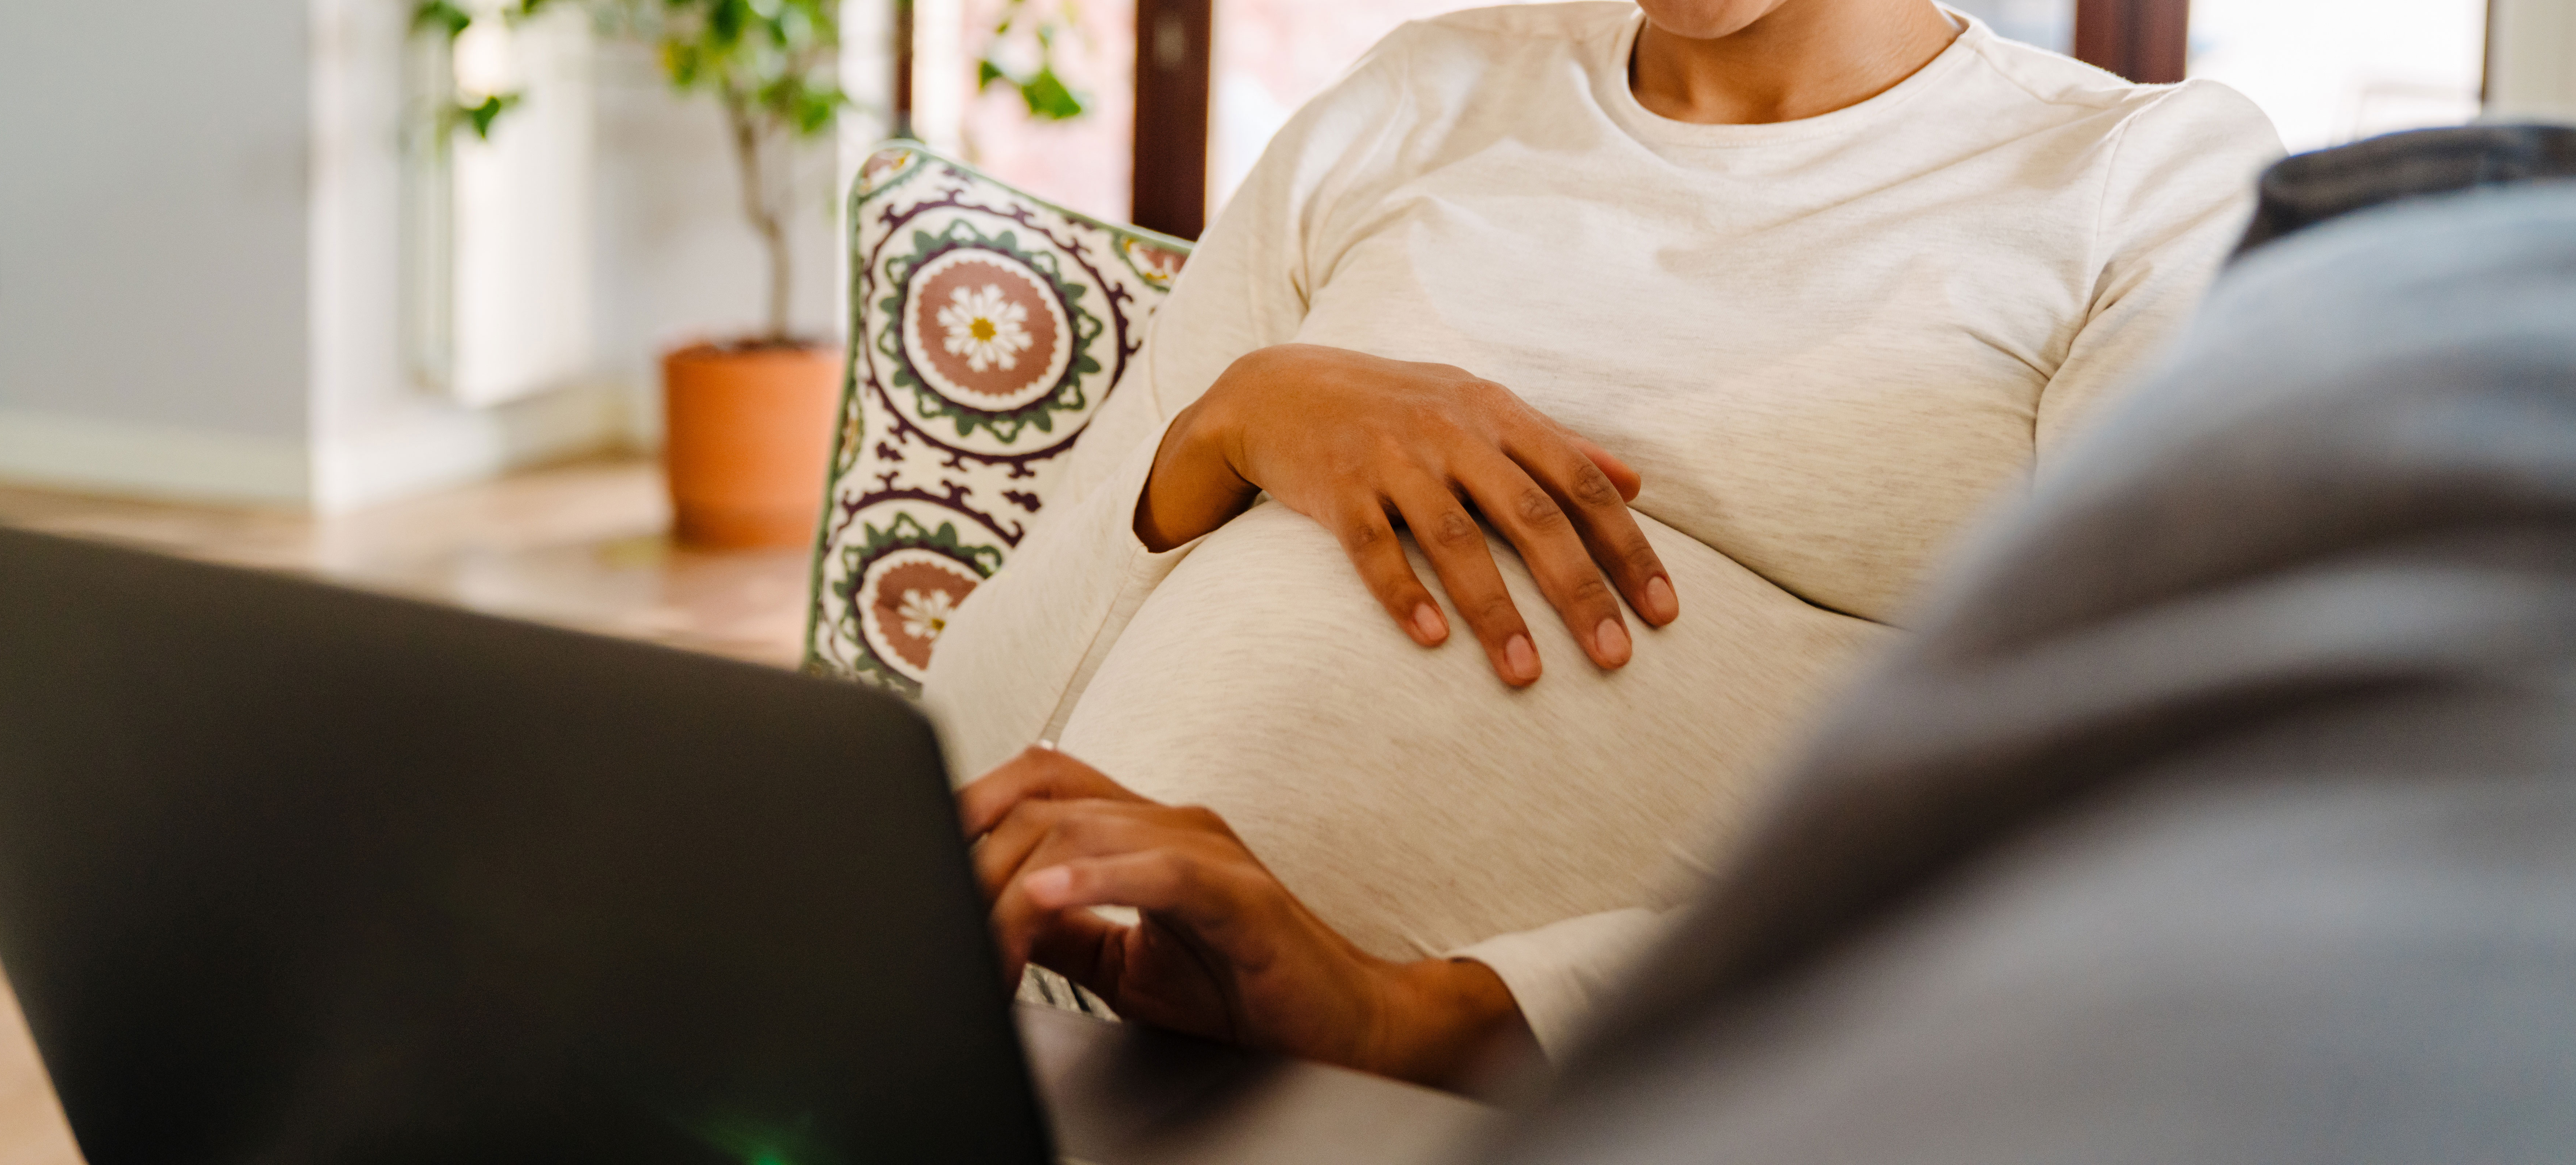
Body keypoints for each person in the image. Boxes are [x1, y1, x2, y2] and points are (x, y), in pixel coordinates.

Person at [925, 0, 2280, 1086]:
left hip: (1593, 1103)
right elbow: (974, 726)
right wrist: (1230, 425)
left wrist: (1421, 1017)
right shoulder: (1417, 97)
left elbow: (2119, 828)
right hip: (1047, 1040)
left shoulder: (2145, 180)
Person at [1492, 176, 2576, 1162]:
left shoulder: (2146, 178)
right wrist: (1308, 394)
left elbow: (2146, 761)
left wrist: (1492, 1003)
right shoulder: (1420, 92)